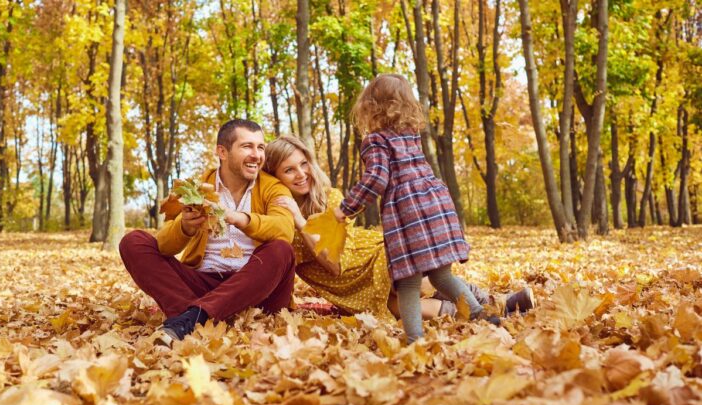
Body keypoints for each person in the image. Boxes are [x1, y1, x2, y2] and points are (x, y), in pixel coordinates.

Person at [264, 135, 535, 325]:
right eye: (289, 170)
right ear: (275, 178)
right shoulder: (278, 220)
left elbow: (335, 263)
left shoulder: (330, 198)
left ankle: (497, 302)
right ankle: (491, 308)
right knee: (403, 311)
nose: (301, 174)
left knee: (415, 286)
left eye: (304, 164)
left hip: (370, 260)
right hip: (350, 290)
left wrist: (301, 221)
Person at [333, 74, 501, 344]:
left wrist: (347, 207)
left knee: (407, 283)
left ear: (370, 106)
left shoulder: (375, 140)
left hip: (409, 214)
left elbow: (377, 178)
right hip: (435, 205)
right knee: (441, 275)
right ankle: (478, 313)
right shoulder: (411, 135)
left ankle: (415, 340)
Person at [119, 119, 296, 342]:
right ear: (222, 151)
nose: (257, 155)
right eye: (247, 147)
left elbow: (285, 229)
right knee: (133, 241)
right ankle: (196, 315)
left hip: (256, 288)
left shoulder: (273, 187)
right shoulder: (196, 187)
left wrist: (237, 217)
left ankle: (193, 318)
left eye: (261, 147)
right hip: (203, 283)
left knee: (282, 249)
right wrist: (185, 226)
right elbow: (163, 245)